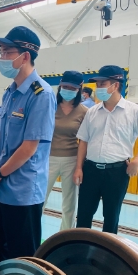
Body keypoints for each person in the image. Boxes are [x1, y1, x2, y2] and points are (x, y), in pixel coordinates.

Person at [0, 26, 56, 271]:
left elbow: (29, 147)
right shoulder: (10, 93)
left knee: (22, 262)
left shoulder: (41, 95)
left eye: (7, 52)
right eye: (1, 52)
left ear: (25, 56)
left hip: (21, 194)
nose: (2, 57)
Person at [74, 65, 138, 234]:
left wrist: (136, 161)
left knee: (111, 218)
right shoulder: (92, 112)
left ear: (115, 85)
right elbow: (83, 141)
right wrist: (79, 168)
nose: (98, 88)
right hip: (90, 171)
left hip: (117, 172)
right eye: (98, 84)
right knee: (83, 216)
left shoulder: (134, 111)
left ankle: (106, 251)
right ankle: (80, 249)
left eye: (103, 84)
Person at [44, 71, 88, 231]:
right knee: (40, 199)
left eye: (72, 88)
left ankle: (66, 236)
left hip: (71, 160)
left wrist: (79, 167)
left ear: (79, 89)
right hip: (48, 158)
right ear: (60, 86)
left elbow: (84, 141)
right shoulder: (50, 106)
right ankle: (31, 234)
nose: (68, 90)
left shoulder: (84, 112)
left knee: (69, 204)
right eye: (65, 87)